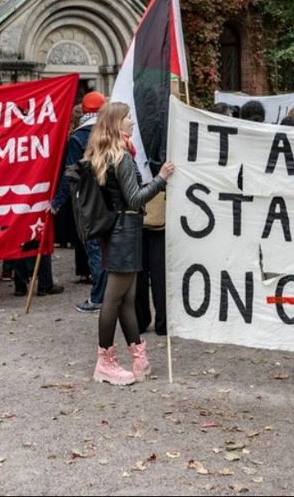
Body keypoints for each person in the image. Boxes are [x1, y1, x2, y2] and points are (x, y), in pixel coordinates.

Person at [84, 102, 174, 385]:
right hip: (125, 230)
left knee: (127, 299)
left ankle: (138, 358)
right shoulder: (121, 156)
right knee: (114, 298)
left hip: (121, 231)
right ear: (116, 123)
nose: (132, 122)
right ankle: (105, 362)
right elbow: (134, 198)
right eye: (128, 118)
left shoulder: (109, 153)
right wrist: (161, 179)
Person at [52, 91, 107, 311]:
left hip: (87, 202)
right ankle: (108, 296)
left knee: (94, 250)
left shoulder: (79, 138)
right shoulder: (108, 134)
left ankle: (98, 297)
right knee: (106, 251)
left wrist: (56, 202)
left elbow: (70, 174)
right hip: (109, 199)